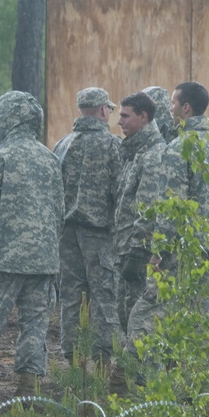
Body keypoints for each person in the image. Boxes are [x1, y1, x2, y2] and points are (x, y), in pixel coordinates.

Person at [0, 91, 64, 396]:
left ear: (9, 119)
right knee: (34, 328)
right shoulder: (50, 158)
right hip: (44, 261)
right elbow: (59, 212)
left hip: (3, 259)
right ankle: (28, 392)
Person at [128, 81, 209, 341]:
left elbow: (173, 206)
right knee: (205, 317)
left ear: (186, 108)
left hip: (182, 251)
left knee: (147, 314)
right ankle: (203, 380)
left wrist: (158, 254)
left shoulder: (178, 148)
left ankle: (134, 375)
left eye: (172, 103)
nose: (169, 109)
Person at [52, 88, 122, 364]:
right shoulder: (113, 146)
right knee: (105, 296)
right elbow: (121, 191)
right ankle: (105, 360)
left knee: (71, 296)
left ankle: (73, 359)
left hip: (66, 233)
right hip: (101, 234)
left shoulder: (62, 144)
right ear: (104, 110)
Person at [114, 91, 166, 334]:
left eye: (125, 116)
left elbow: (149, 209)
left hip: (139, 254)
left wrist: (137, 251)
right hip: (126, 247)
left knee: (138, 318)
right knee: (125, 312)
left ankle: (138, 370)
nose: (119, 122)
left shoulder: (153, 154)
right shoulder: (135, 151)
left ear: (143, 117)